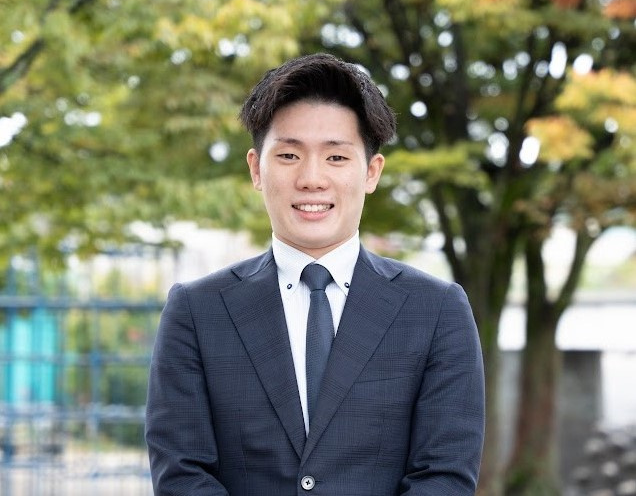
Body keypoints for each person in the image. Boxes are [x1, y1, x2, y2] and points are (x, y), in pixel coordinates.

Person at [145, 53, 485, 495]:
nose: (312, 178)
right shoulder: (197, 311)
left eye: (336, 157)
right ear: (256, 169)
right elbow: (182, 474)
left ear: (371, 172)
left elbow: (444, 476)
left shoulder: (436, 311)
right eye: (289, 154)